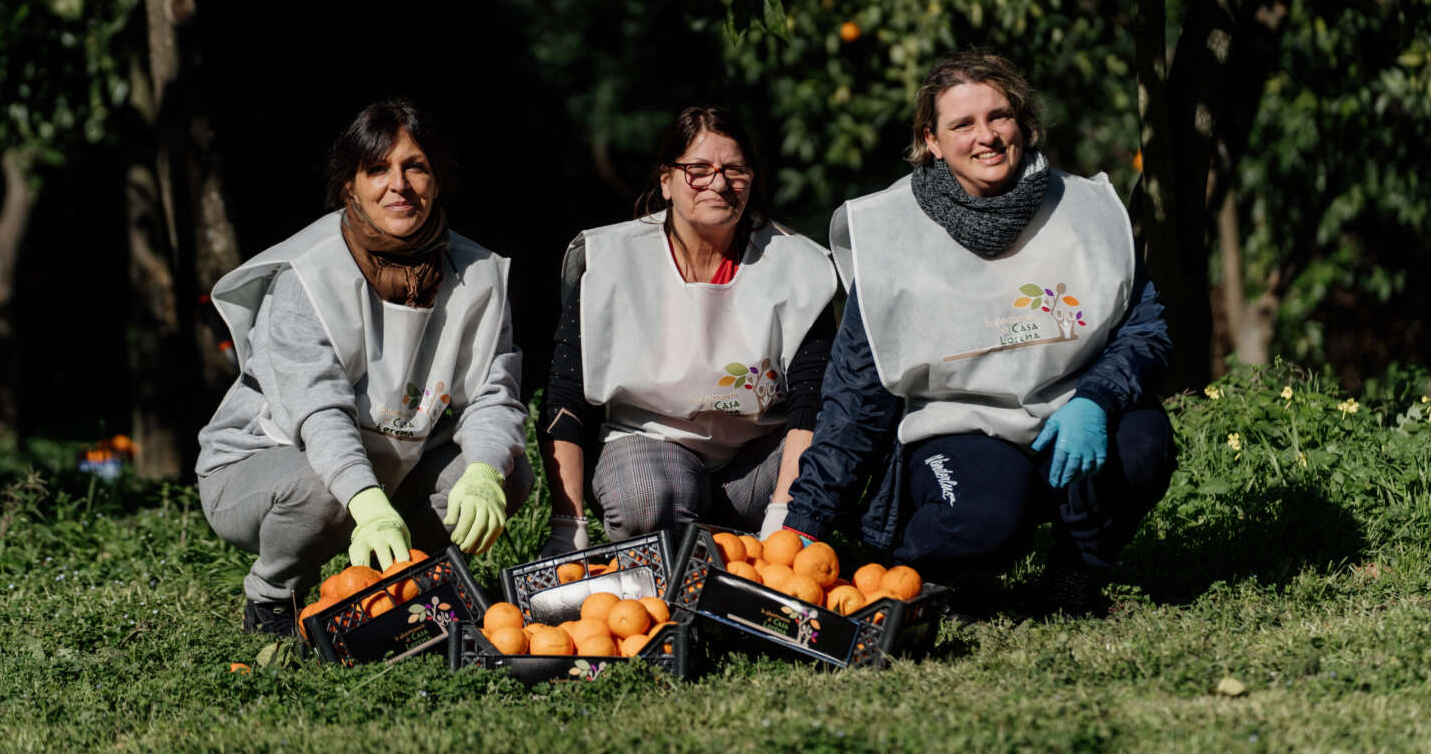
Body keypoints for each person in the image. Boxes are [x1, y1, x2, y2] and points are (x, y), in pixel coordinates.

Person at [784, 50, 1176, 611]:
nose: (986, 136)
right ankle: (917, 570)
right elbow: (856, 394)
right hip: (956, 429)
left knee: (1142, 442)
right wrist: (806, 524)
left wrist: (1096, 399)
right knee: (984, 519)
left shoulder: (1087, 211)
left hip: (1069, 414)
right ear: (932, 140)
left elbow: (1147, 332)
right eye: (962, 124)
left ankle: (1077, 571)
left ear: (1024, 122)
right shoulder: (892, 233)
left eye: (1000, 116)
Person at [197, 99, 532, 636]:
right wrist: (367, 502)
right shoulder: (308, 274)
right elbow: (317, 413)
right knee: (322, 489)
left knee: (506, 476)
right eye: (377, 169)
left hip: (390, 463)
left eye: (415, 166)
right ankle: (273, 597)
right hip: (264, 466)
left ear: (437, 180)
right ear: (349, 187)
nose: (398, 185)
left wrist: (487, 470)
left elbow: (493, 396)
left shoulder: (479, 275)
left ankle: (407, 585)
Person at [538, 107, 838, 553]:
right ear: (666, 181)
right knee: (646, 501)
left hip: (759, 462)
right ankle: (692, 544)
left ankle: (728, 550)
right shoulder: (608, 261)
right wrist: (568, 524)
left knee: (842, 444)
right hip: (652, 447)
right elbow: (566, 395)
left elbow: (813, 400)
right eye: (698, 170)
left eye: (735, 170)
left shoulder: (801, 268)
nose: (718, 184)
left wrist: (784, 518)